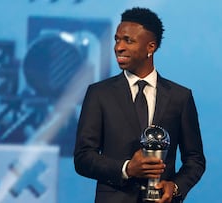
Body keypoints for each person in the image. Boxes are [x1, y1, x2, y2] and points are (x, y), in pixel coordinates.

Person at [74, 7, 206, 203]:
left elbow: (195, 160)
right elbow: (83, 157)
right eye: (117, 40)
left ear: (150, 47)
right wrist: (127, 168)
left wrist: (175, 187)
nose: (118, 47)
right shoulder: (99, 94)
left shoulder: (180, 97)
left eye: (128, 41)